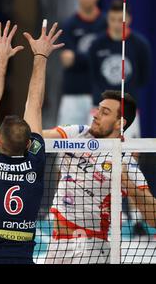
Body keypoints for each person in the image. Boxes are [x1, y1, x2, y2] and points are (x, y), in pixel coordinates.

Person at [0, 20, 64, 264]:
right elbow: (35, 105)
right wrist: (41, 56)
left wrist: (1, 58)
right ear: (29, 143)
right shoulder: (35, 164)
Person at [43, 90, 155, 264]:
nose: (96, 115)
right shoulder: (79, 133)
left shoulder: (124, 161)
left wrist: (126, 182)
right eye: (98, 109)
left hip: (91, 248)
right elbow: (40, 137)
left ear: (120, 123)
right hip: (57, 244)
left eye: (105, 112)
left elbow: (154, 217)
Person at [88, 0, 152, 138]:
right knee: (95, 155)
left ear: (129, 19)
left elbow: (143, 77)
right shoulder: (96, 44)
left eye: (120, 20)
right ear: (108, 19)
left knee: (128, 157)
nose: (117, 24)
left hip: (127, 113)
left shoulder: (141, 45)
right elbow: (93, 76)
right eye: (112, 19)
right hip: (99, 109)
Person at [58, 0, 107, 125]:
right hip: (73, 93)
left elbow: (105, 59)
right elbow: (66, 60)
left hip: (100, 94)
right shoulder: (69, 24)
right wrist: (95, 56)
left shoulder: (106, 23)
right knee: (66, 141)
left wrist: (77, 58)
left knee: (99, 142)